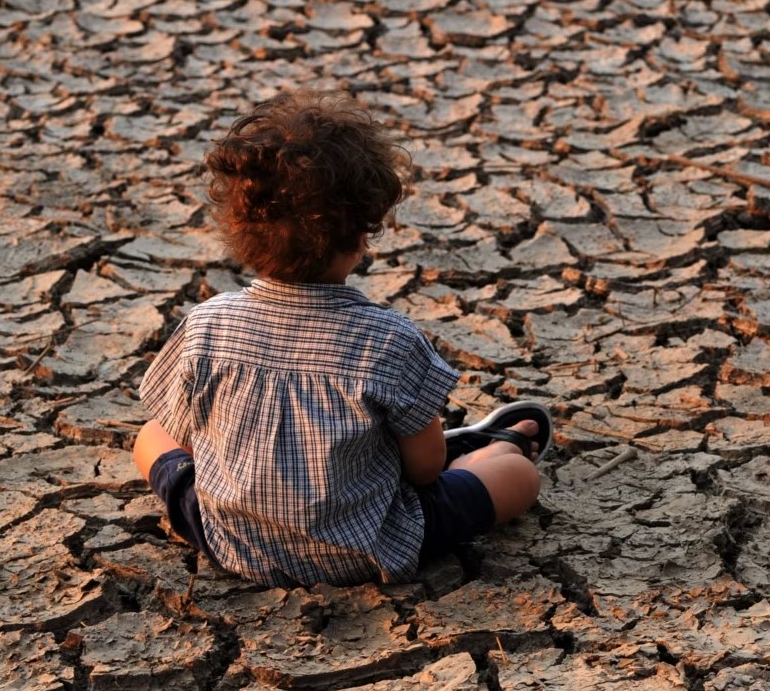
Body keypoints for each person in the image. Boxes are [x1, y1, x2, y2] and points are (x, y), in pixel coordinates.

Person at [131, 89, 545, 587]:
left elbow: (184, 434)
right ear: (361, 236)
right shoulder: (387, 340)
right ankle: (485, 449)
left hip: (232, 542)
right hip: (367, 546)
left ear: (238, 230)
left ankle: (471, 448)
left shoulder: (206, 325)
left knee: (150, 436)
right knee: (518, 476)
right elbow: (425, 470)